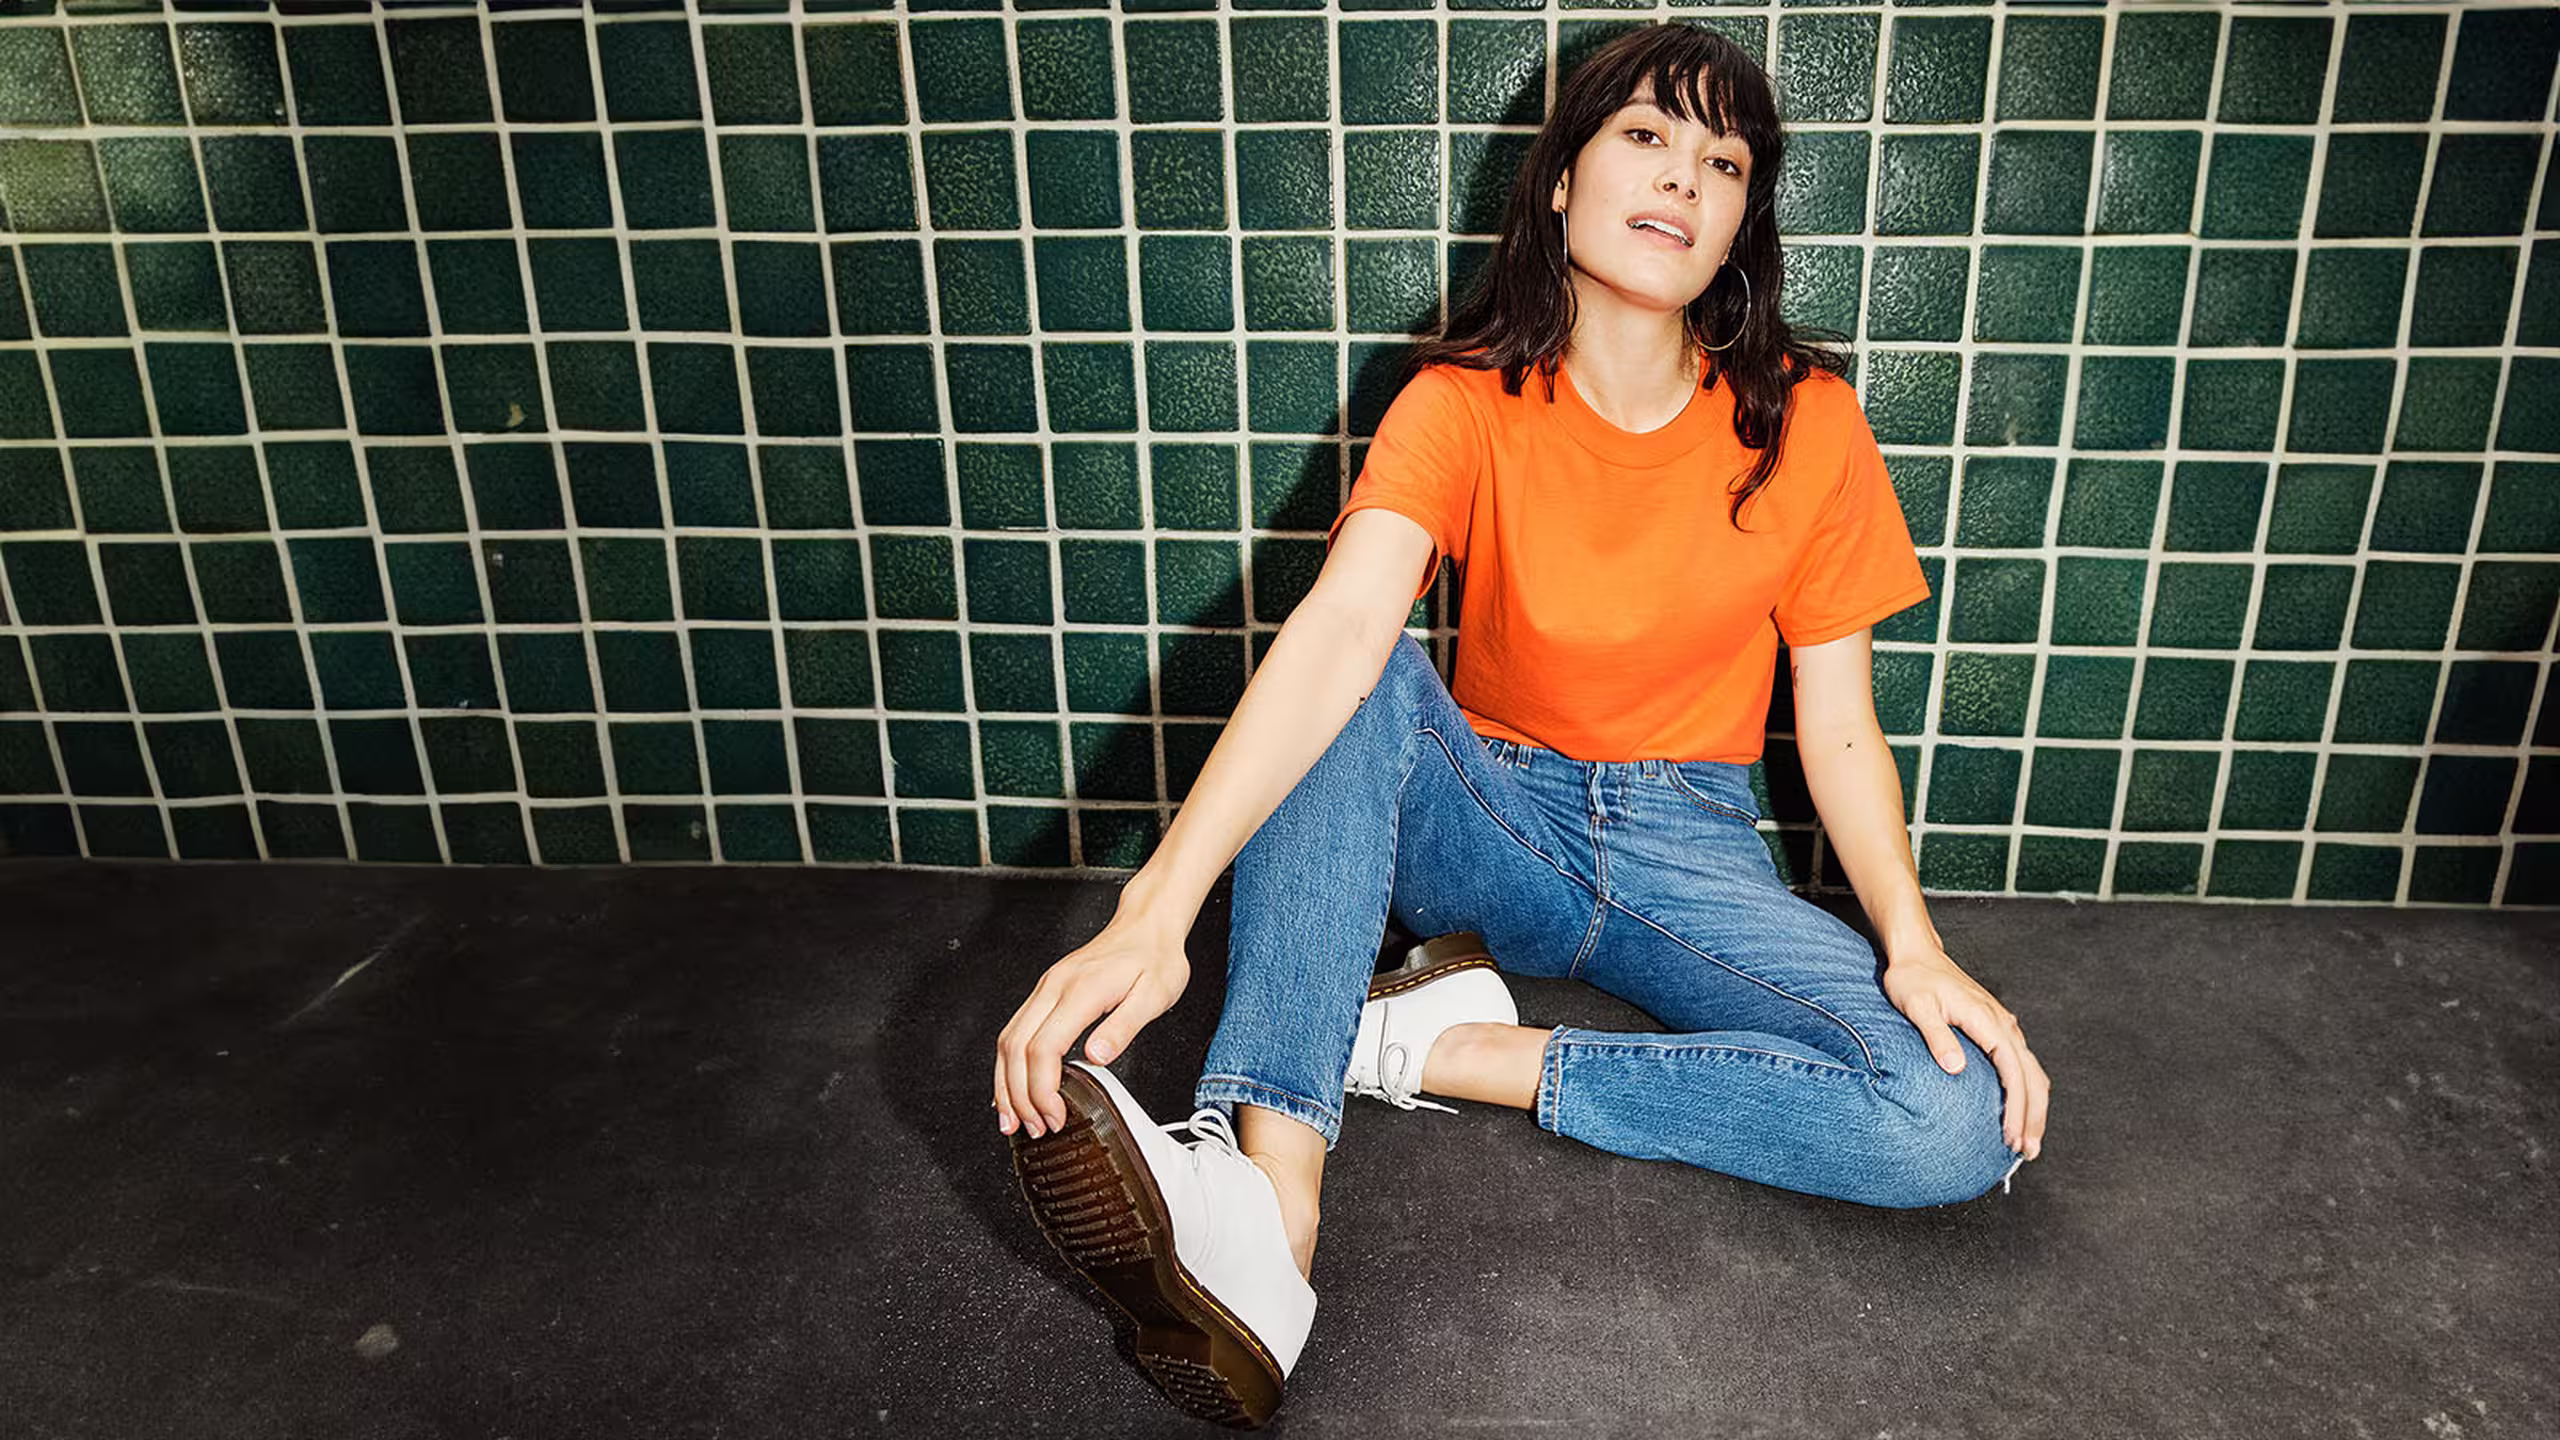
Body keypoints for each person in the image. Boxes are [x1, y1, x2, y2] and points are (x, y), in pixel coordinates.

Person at [991, 23, 2052, 1428]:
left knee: (1955, 1117)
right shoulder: (1462, 403)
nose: (1682, 175)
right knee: (1356, 675)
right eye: (1645, 136)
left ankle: (1440, 1049)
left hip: (1694, 848)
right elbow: (1338, 638)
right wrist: (1156, 908)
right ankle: (1269, 1226)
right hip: (1493, 816)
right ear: (1562, 178)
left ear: (1742, 216)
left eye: (1721, 159)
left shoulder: (1811, 425)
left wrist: (1914, 948)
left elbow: (1839, 722)